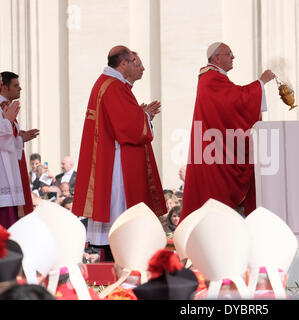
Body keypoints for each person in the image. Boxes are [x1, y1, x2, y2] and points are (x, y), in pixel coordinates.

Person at [72, 45, 166, 261]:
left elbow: (121, 119)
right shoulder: (114, 86)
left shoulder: (109, 84)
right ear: (123, 64)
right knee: (119, 216)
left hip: (111, 157)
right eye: (136, 62)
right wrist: (145, 118)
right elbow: (127, 129)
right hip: (116, 163)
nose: (141, 67)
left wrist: (138, 113)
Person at [180, 42, 275, 222]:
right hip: (214, 152)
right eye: (229, 53)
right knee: (214, 203)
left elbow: (233, 99)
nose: (233, 57)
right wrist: (261, 82)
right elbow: (235, 102)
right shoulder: (211, 79)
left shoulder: (214, 78)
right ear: (216, 58)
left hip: (216, 147)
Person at [0, 71, 39, 220]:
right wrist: (8, 122)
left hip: (9, 167)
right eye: (15, 85)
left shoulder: (6, 106)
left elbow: (8, 138)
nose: (20, 88)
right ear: (4, 87)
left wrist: (20, 138)